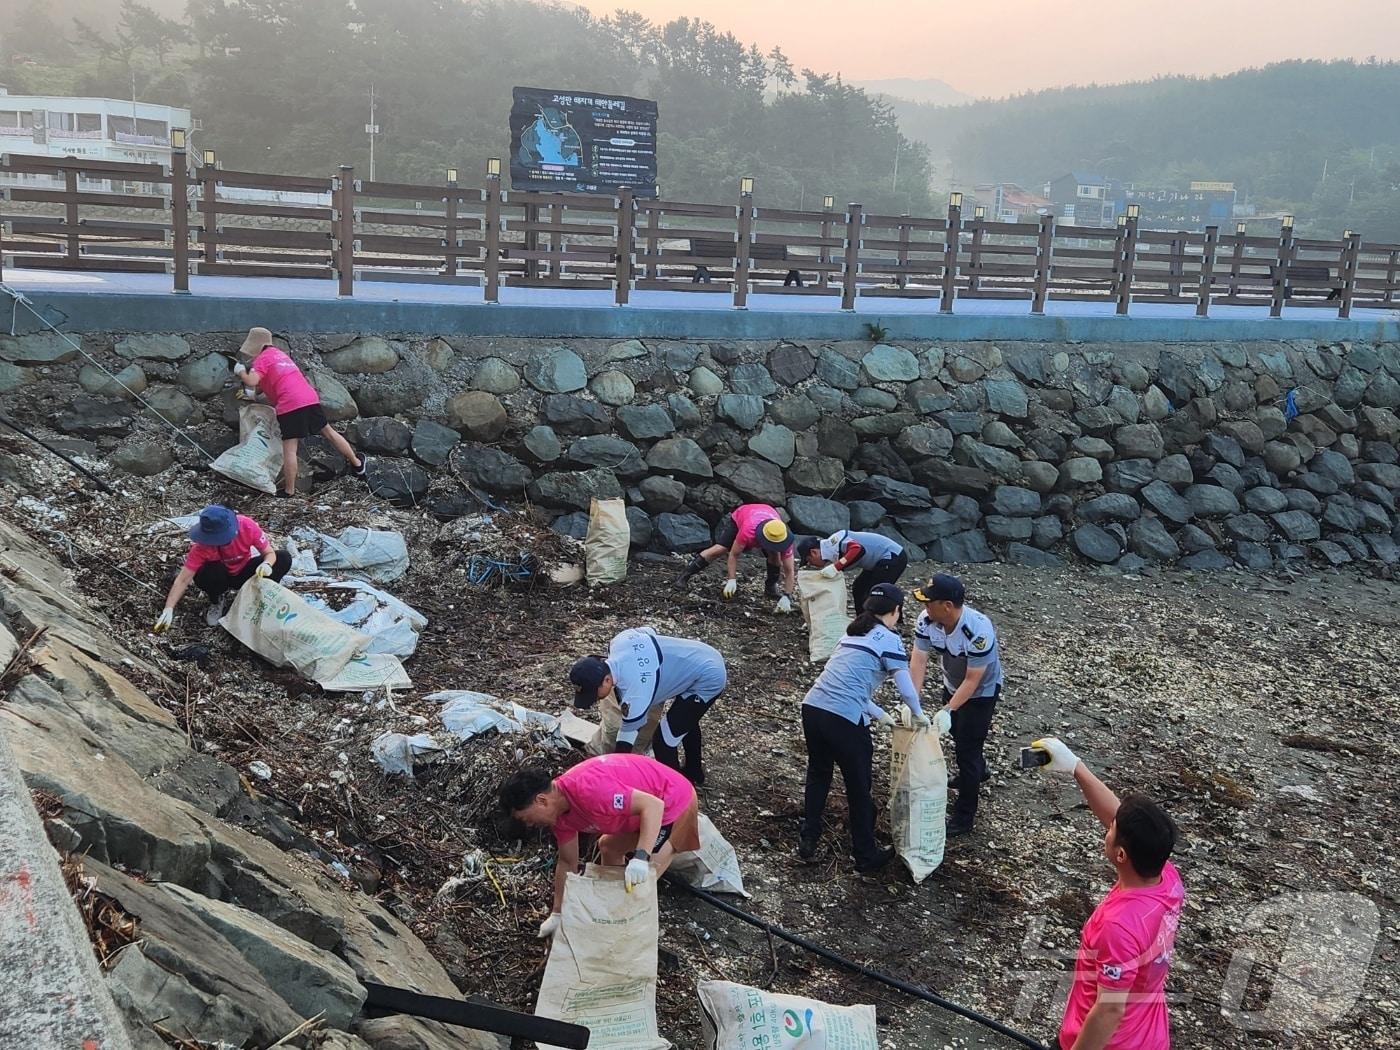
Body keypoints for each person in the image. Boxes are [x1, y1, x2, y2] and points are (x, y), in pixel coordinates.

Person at [1031, 738, 1184, 1050]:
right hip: (1148, 1036)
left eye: (1111, 831)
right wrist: (1076, 767)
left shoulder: (1119, 927)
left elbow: (1110, 1009)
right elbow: (1119, 819)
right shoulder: (1166, 877)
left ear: (1122, 855)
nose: (1107, 829)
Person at [797, 583, 950, 873]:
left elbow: (847, 684)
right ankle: (865, 855)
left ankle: (809, 837)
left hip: (813, 708)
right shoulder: (888, 639)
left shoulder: (851, 634)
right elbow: (905, 688)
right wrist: (918, 714)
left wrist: (880, 715)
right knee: (858, 787)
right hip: (843, 719)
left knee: (819, 773)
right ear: (896, 611)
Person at [500, 754, 701, 938]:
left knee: (642, 880)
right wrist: (557, 913)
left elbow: (653, 806)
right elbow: (567, 862)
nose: (528, 825)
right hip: (638, 813)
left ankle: (627, 934)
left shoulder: (589, 789)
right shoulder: (559, 818)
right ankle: (612, 912)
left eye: (526, 818)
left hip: (672, 802)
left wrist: (640, 857)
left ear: (541, 800)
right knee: (608, 847)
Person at [569, 626, 727, 785]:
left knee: (663, 741)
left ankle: (676, 790)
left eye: (594, 694)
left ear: (607, 680)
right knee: (685, 721)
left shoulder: (636, 692)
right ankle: (695, 773)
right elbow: (650, 630)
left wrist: (614, 775)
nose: (595, 699)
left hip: (708, 677)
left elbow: (625, 743)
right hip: (700, 653)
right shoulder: (619, 642)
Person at [910, 574, 1004, 837]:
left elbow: (974, 680)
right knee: (954, 732)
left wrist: (948, 710)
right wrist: (913, 701)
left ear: (947, 606)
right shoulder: (927, 620)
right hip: (952, 682)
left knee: (967, 751)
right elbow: (918, 660)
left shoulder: (978, 631)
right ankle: (976, 770)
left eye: (930, 602)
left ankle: (964, 816)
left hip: (981, 693)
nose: (925, 607)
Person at [232, 326, 366, 497]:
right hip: (309, 398)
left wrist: (241, 371)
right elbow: (268, 384)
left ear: (255, 346)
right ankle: (357, 464)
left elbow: (252, 380)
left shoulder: (262, 359)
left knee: (290, 449)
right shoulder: (280, 355)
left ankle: (289, 491)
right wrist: (252, 394)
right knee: (329, 432)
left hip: (290, 404)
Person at [153, 504, 292, 631]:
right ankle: (216, 599)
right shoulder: (202, 546)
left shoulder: (247, 526)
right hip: (222, 577)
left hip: (244, 571)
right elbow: (183, 579)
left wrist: (267, 564)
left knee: (283, 558)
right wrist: (168, 608)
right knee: (209, 571)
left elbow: (269, 553)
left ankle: (259, 598)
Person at [675, 502, 796, 614]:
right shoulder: (749, 531)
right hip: (742, 515)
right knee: (720, 549)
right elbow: (733, 555)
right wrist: (732, 580)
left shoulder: (784, 538)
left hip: (767, 515)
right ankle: (684, 575)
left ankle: (770, 588)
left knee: (775, 556)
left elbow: (789, 570)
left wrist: (787, 596)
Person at [795, 530, 909, 612]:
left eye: (808, 560)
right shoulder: (831, 549)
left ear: (814, 552)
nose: (810, 564)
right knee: (858, 588)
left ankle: (879, 622)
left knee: (874, 594)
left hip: (893, 557)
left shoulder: (836, 542)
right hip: (877, 562)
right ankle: (862, 619)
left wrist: (837, 566)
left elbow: (858, 549)